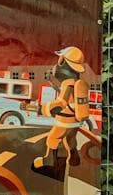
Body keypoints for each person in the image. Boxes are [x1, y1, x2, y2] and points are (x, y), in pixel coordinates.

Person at [31, 46, 95, 179]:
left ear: (63, 62)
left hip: (65, 121)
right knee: (70, 139)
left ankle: (48, 161)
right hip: (76, 120)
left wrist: (43, 109)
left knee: (53, 139)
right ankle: (74, 159)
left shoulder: (68, 83)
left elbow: (61, 103)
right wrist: (52, 83)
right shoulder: (77, 81)